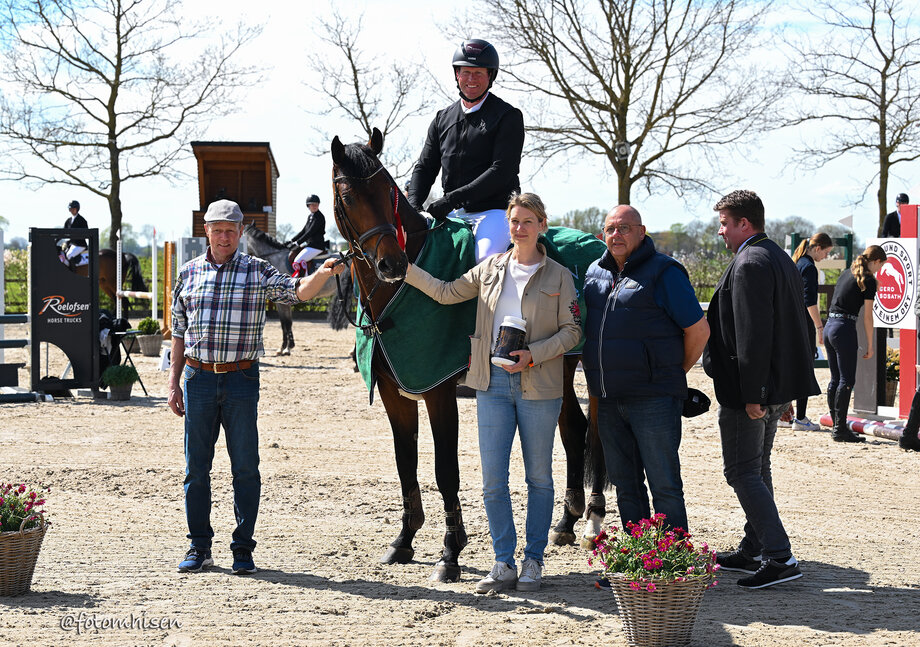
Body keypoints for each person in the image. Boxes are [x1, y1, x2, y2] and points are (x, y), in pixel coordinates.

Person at [403, 192, 581, 593]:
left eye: (527, 221)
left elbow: (573, 332)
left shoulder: (559, 276)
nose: (519, 228)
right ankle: (503, 563)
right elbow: (447, 292)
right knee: (492, 481)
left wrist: (532, 355)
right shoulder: (489, 269)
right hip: (492, 384)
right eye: (514, 221)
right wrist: (407, 270)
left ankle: (533, 560)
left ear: (541, 226)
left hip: (540, 384)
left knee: (538, 477)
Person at [168, 199, 344, 574]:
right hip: (197, 378)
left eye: (232, 230)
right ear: (207, 231)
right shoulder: (187, 274)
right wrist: (173, 384)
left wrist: (325, 272)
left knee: (246, 467)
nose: (225, 236)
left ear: (240, 231)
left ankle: (242, 548)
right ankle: (199, 546)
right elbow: (178, 334)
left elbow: (298, 292)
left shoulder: (257, 270)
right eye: (218, 230)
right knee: (195, 469)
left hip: (241, 379)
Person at [704, 189, 820, 589]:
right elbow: (797, 327)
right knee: (757, 467)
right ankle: (754, 548)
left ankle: (779, 557)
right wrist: (781, 391)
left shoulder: (750, 261)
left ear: (744, 224)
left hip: (750, 391)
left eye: (724, 223)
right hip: (773, 387)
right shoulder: (780, 257)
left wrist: (755, 394)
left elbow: (753, 336)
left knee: (741, 471)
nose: (720, 231)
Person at [582, 205, 710, 536]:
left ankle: (671, 564)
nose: (616, 235)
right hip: (608, 400)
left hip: (653, 398)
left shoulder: (664, 272)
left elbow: (699, 331)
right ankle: (639, 563)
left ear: (642, 232)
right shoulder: (594, 274)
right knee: (626, 487)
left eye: (624, 228)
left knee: (664, 485)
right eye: (610, 229)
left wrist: (672, 371)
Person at [407, 38, 524, 263]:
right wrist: (412, 206)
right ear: (457, 75)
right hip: (451, 213)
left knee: (484, 259)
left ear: (490, 76)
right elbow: (425, 166)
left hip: (494, 212)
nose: (471, 79)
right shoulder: (442, 118)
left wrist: (451, 200)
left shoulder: (507, 116)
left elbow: (501, 171)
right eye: (466, 73)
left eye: (478, 73)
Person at [823, 245, 888, 443]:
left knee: (835, 379)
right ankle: (840, 429)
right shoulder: (868, 280)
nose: (880, 270)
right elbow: (867, 317)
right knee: (847, 380)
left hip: (829, 327)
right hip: (843, 329)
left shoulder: (846, 273)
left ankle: (837, 425)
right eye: (881, 266)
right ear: (876, 261)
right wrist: (870, 344)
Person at [781, 233, 834, 432]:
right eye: (826, 253)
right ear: (818, 248)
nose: (825, 257)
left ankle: (784, 415)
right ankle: (801, 418)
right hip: (802, 323)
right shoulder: (809, 267)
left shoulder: (796, 263)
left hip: (789, 322)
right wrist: (819, 326)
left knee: (788, 369)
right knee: (803, 370)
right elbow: (810, 301)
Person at [290, 194, 327, 277]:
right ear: (308, 206)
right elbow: (303, 231)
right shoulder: (310, 216)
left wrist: (297, 243)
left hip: (316, 246)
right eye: (312, 204)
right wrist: (292, 240)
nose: (314, 206)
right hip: (310, 246)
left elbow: (310, 232)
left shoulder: (319, 217)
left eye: (316, 204)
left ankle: (304, 281)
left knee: (298, 261)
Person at [61, 200, 89, 267]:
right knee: (63, 254)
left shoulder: (82, 220)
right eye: (70, 209)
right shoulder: (68, 221)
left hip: (80, 245)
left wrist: (70, 241)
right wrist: (64, 242)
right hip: (72, 244)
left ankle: (73, 273)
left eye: (73, 209)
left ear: (77, 209)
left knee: (69, 255)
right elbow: (63, 232)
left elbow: (85, 234)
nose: (71, 210)